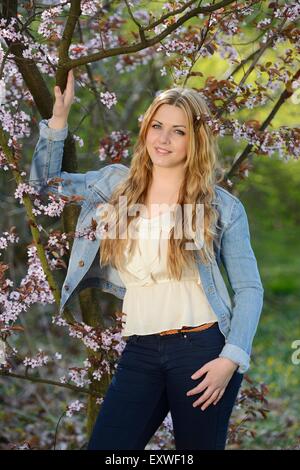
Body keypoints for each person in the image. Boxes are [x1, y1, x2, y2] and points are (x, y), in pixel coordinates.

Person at [29, 70, 264, 450]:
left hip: (204, 350)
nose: (164, 138)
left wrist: (231, 358)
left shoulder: (222, 206)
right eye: (157, 126)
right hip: (140, 349)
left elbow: (250, 288)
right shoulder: (115, 186)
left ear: (196, 139)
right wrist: (58, 120)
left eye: (178, 130)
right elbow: (43, 184)